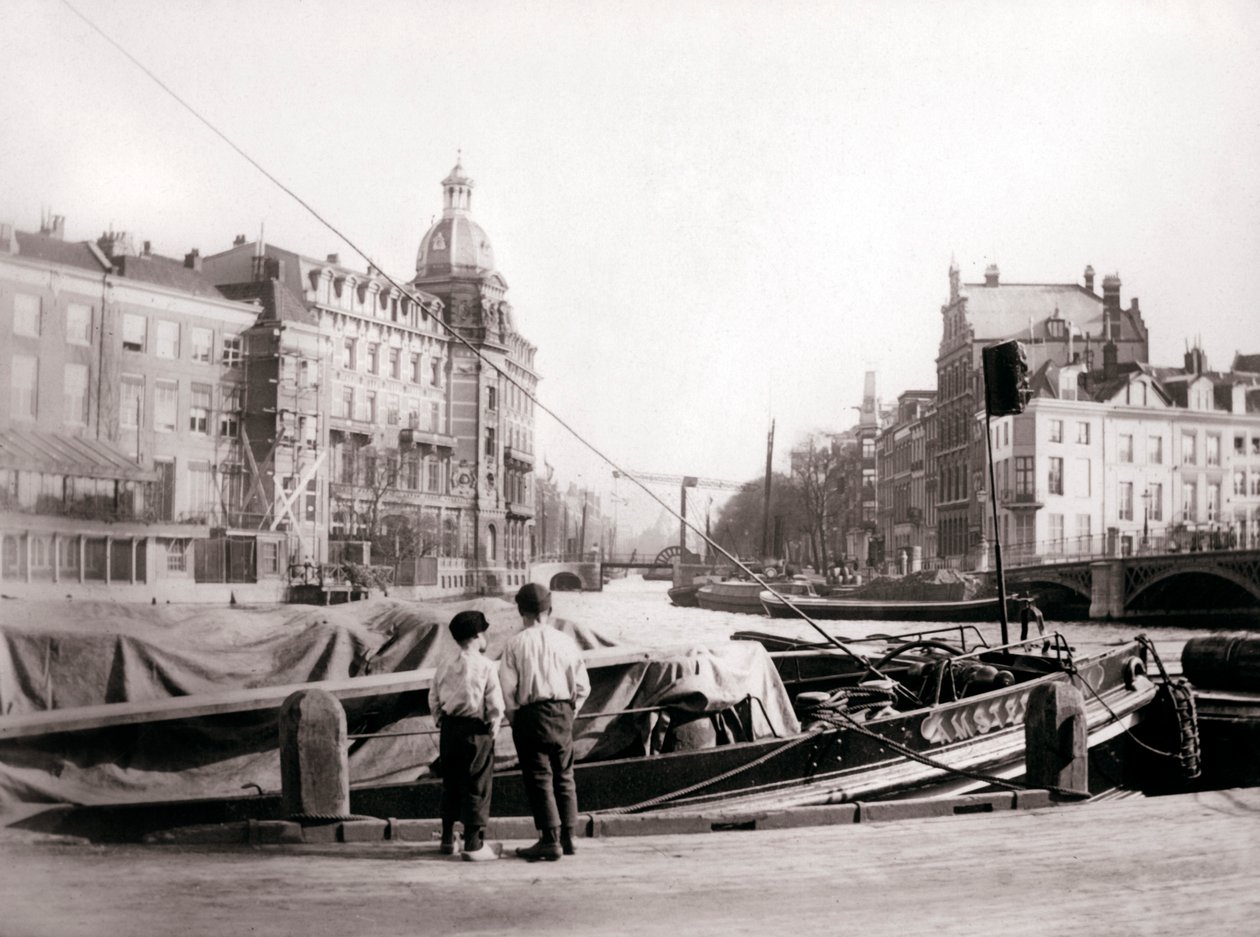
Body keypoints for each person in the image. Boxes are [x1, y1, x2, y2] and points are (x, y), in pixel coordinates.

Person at [500, 583, 590, 861]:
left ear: (520, 611)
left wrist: (517, 720)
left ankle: (549, 840)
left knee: (539, 777)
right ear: (550, 610)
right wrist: (567, 713)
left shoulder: (515, 644)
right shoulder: (566, 642)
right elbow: (583, 686)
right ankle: (570, 837)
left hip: (531, 715)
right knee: (565, 775)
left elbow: (507, 690)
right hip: (562, 712)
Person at [429, 610, 504, 861]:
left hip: (450, 729)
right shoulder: (486, 665)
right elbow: (494, 701)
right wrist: (494, 723)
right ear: (477, 636)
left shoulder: (445, 664)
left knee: (451, 783)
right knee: (477, 784)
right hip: (476, 730)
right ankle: (473, 843)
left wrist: (441, 719)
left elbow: (434, 697)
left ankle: (447, 838)